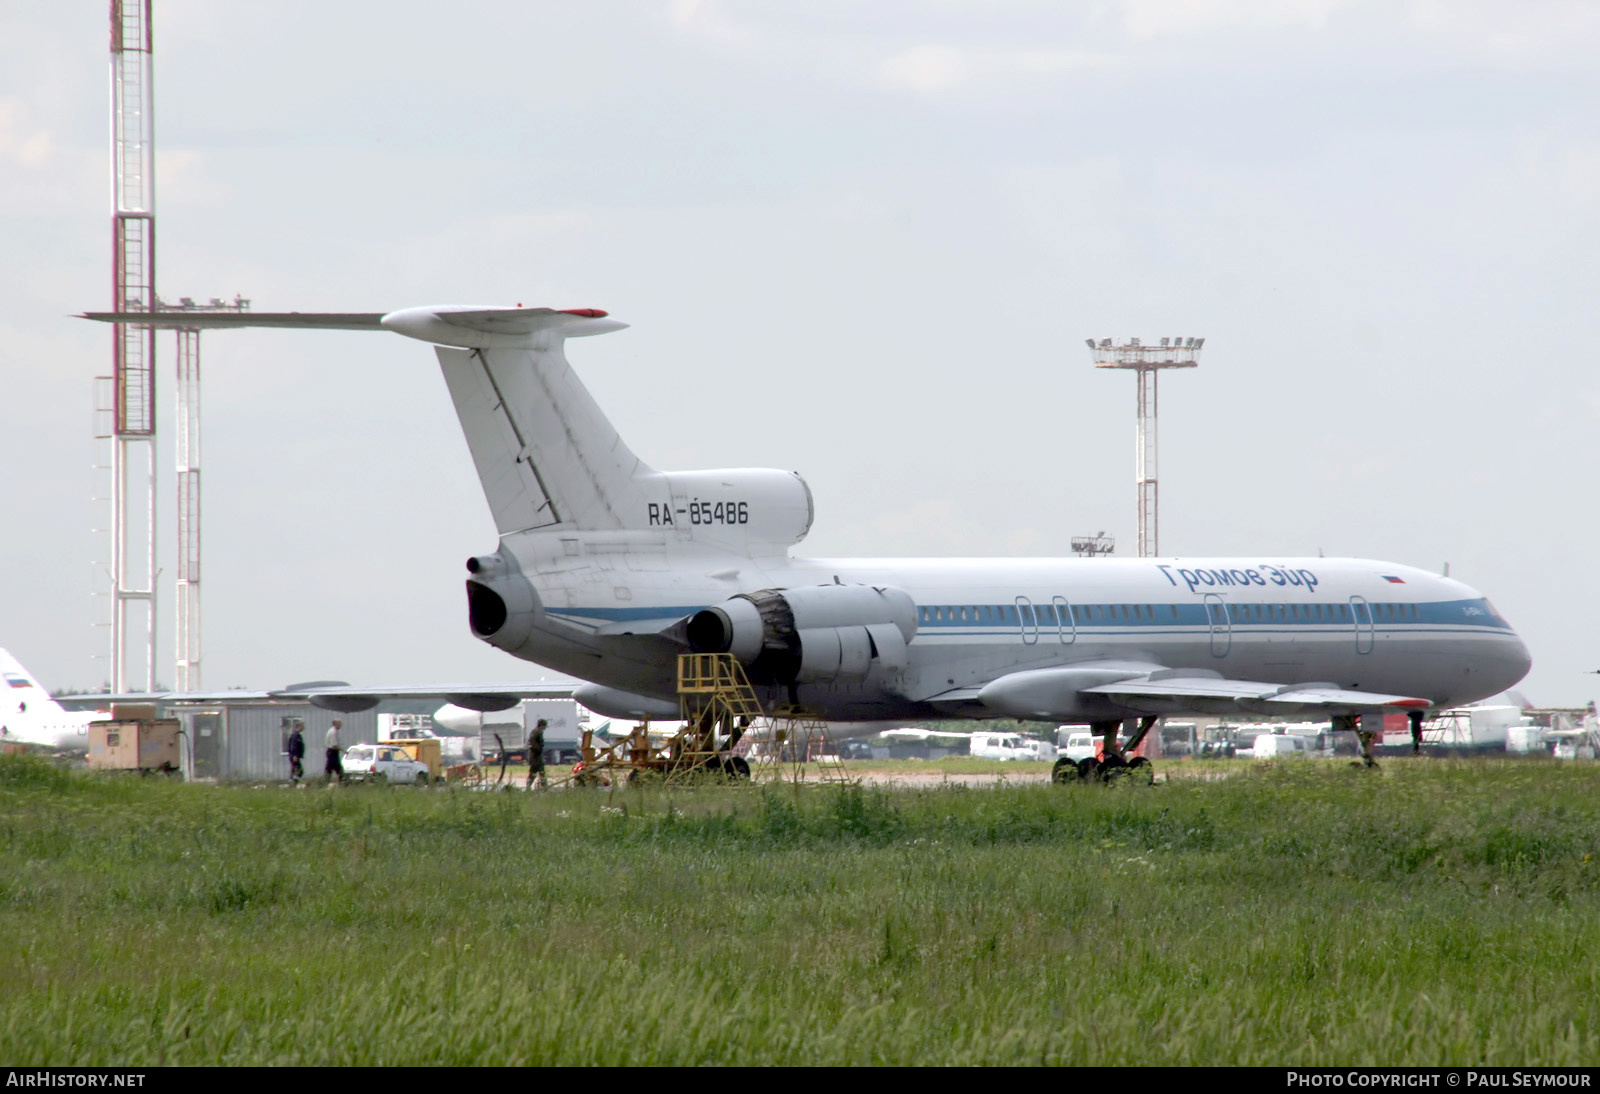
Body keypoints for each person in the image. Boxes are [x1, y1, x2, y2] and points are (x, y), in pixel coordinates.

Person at [527, 718, 548, 790]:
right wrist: (538, 750)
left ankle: (544, 787)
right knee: (534, 772)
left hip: (536, 756)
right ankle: (529, 787)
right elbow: (533, 744)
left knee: (541, 772)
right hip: (535, 756)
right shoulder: (537, 732)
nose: (545, 727)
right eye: (545, 726)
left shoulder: (536, 732)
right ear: (541, 725)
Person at [325, 719, 344, 784]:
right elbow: (334, 745)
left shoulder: (332, 731)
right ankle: (343, 782)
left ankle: (326, 782)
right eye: (340, 724)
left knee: (329, 769)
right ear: (336, 724)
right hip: (332, 752)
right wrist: (344, 750)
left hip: (331, 752)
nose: (341, 725)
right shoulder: (333, 732)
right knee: (338, 768)